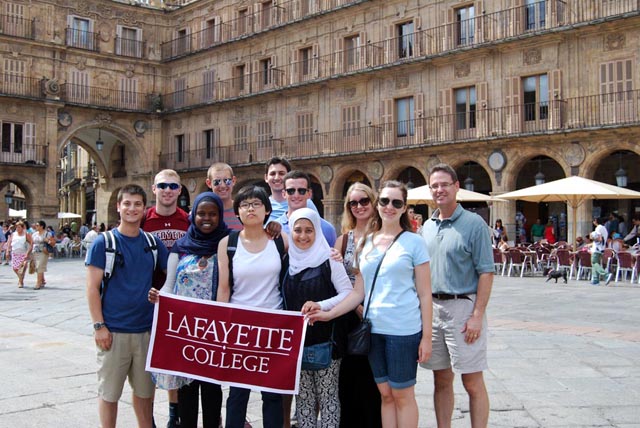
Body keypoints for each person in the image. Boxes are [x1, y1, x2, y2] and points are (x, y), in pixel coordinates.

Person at [307, 180, 432, 428]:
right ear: (379, 203)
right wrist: (326, 312)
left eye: (396, 202)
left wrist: (427, 337)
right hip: (374, 330)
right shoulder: (367, 243)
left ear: (404, 207)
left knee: (402, 395)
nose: (389, 207)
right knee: (385, 395)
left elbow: (425, 294)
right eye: (385, 201)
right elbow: (356, 293)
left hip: (403, 331)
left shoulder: (414, 242)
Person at [86, 184, 169, 428]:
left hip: (145, 331)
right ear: (118, 207)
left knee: (145, 394)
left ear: (145, 209)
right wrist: (99, 326)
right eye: (127, 204)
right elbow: (92, 288)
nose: (132, 209)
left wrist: (161, 293)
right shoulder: (103, 243)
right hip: (113, 331)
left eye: (137, 204)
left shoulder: (154, 244)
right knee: (109, 394)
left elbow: (171, 277)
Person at [420, 163, 494, 428]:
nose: (439, 190)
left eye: (444, 184)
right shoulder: (426, 226)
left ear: (456, 187)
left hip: (463, 308)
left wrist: (477, 315)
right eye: (435, 185)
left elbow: (486, 272)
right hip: (434, 310)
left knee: (472, 381)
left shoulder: (474, 224)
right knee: (441, 379)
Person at [149, 192, 229, 428]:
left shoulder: (229, 243)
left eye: (212, 214)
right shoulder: (180, 247)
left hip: (215, 330)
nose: (207, 218)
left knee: (213, 388)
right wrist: (158, 296)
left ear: (219, 215)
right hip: (186, 332)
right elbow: (169, 284)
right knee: (187, 388)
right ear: (193, 216)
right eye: (202, 214)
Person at [217, 185, 288, 428]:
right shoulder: (228, 243)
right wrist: (220, 323)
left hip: (273, 327)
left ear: (267, 210)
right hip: (240, 326)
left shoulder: (281, 241)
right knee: (238, 393)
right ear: (237, 212)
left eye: (256, 203)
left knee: (272, 394)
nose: (250, 208)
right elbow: (224, 288)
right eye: (245, 204)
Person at [283, 208, 353, 428]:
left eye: (309, 230)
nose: (303, 236)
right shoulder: (287, 260)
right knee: (303, 398)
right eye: (298, 230)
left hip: (327, 339)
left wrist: (320, 306)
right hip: (297, 342)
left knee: (328, 395)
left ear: (317, 232)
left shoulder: (329, 258)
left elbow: (348, 292)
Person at [143, 169, 190, 428]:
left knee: (174, 362)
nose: (168, 190)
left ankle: (174, 415)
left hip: (178, 304)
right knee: (146, 364)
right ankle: (146, 415)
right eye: (163, 185)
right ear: (154, 189)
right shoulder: (143, 220)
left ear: (180, 190)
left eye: (173, 186)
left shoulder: (188, 220)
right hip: (148, 302)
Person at [333, 182, 382, 428]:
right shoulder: (342, 240)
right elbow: (337, 281)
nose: (359, 206)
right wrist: (354, 306)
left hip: (379, 312)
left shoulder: (384, 237)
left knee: (375, 377)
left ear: (373, 203)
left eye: (364, 201)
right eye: (353, 203)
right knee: (349, 377)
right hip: (349, 314)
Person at [276, 170, 336, 246]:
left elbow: (332, 255)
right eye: (291, 191)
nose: (296, 195)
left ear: (309, 194)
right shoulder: (275, 228)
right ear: (284, 194)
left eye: (301, 191)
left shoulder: (326, 228)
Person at [264, 157, 318, 222]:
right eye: (272, 174)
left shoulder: (306, 202)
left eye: (281, 173)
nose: (277, 178)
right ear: (266, 177)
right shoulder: (263, 205)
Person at [206, 162, 243, 231]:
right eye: (217, 182)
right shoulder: (203, 214)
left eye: (227, 181)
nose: (222, 186)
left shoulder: (243, 211)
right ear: (209, 183)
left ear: (233, 181)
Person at [6, 220, 32, 288]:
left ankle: (20, 281)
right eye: (17, 227)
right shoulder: (13, 234)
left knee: (22, 269)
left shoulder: (26, 234)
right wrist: (7, 251)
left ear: (23, 228)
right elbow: (9, 242)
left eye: (19, 227)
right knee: (15, 268)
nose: (17, 229)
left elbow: (31, 243)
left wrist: (28, 253)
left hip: (23, 253)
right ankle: (21, 279)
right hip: (14, 253)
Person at [590, 218, 611, 286]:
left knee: (594, 262)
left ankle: (605, 275)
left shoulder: (598, 228)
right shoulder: (604, 228)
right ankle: (595, 280)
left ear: (596, 221)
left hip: (597, 248)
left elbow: (599, 238)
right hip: (601, 248)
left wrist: (592, 237)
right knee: (595, 263)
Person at [31, 220, 50, 289]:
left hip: (43, 252)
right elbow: (32, 243)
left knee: (39, 267)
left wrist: (48, 241)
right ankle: (42, 280)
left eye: (37, 225)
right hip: (35, 252)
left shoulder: (47, 234)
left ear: (42, 226)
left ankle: (38, 283)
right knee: (37, 267)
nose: (36, 226)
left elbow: (53, 242)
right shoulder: (34, 234)